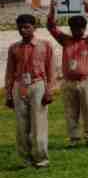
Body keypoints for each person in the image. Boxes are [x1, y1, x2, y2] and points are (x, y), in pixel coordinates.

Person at [47, 0, 88, 146]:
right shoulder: (66, 40)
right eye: (75, 28)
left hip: (87, 81)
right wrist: (53, 9)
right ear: (70, 29)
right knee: (70, 111)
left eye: (81, 28)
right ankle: (74, 138)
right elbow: (51, 27)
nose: (78, 31)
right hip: (68, 82)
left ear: (85, 28)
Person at [6, 14, 56, 168]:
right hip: (19, 85)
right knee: (21, 125)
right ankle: (25, 158)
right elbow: (9, 72)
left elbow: (51, 71)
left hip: (38, 85)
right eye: (20, 27)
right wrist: (8, 94)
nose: (23, 30)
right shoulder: (14, 48)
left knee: (38, 123)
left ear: (34, 27)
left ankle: (41, 158)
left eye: (27, 27)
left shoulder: (45, 45)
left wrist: (49, 90)